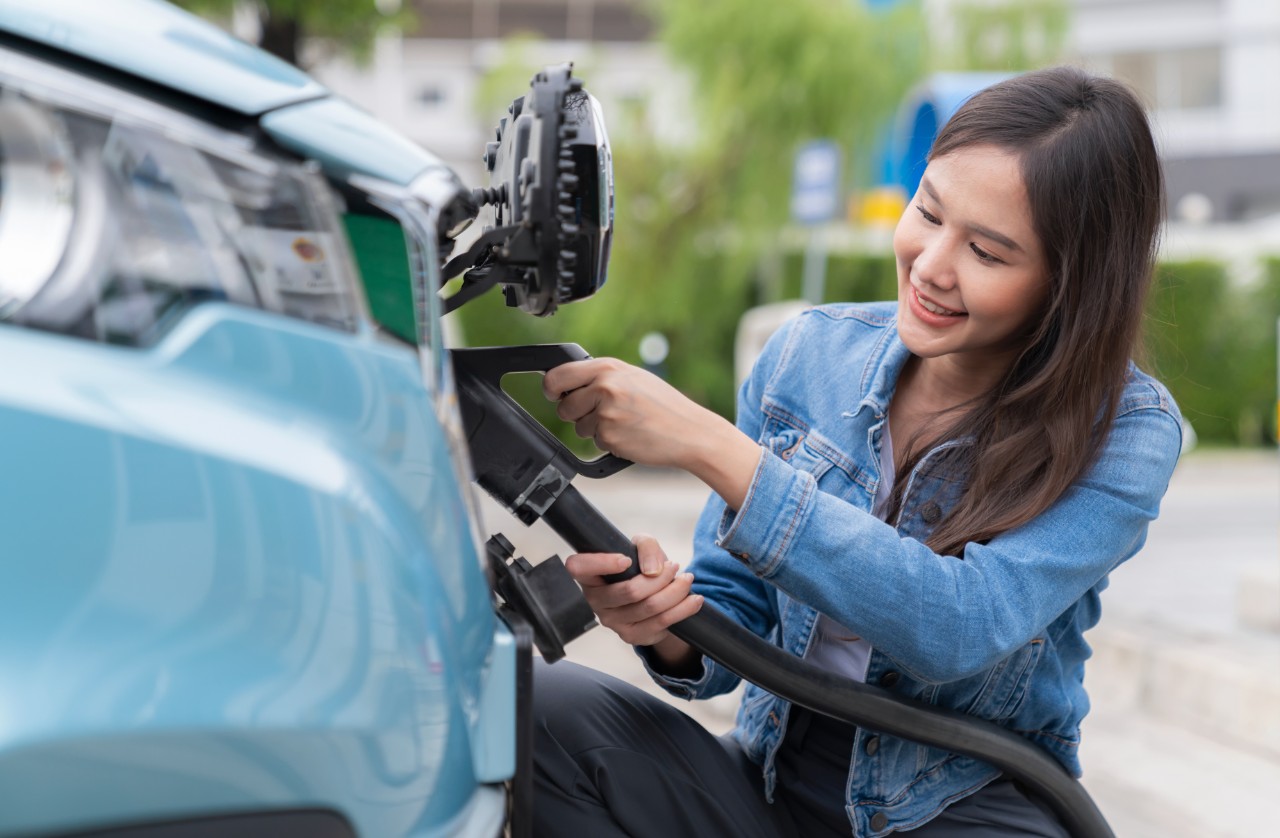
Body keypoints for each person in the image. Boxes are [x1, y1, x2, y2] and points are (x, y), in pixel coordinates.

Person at [531, 66, 1182, 837]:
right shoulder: (810, 352)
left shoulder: (1127, 430)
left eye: (988, 251)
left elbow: (959, 626)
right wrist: (665, 628)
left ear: (1069, 285)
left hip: (961, 805)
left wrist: (709, 444)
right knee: (539, 710)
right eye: (928, 213)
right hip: (776, 775)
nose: (932, 265)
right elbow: (734, 612)